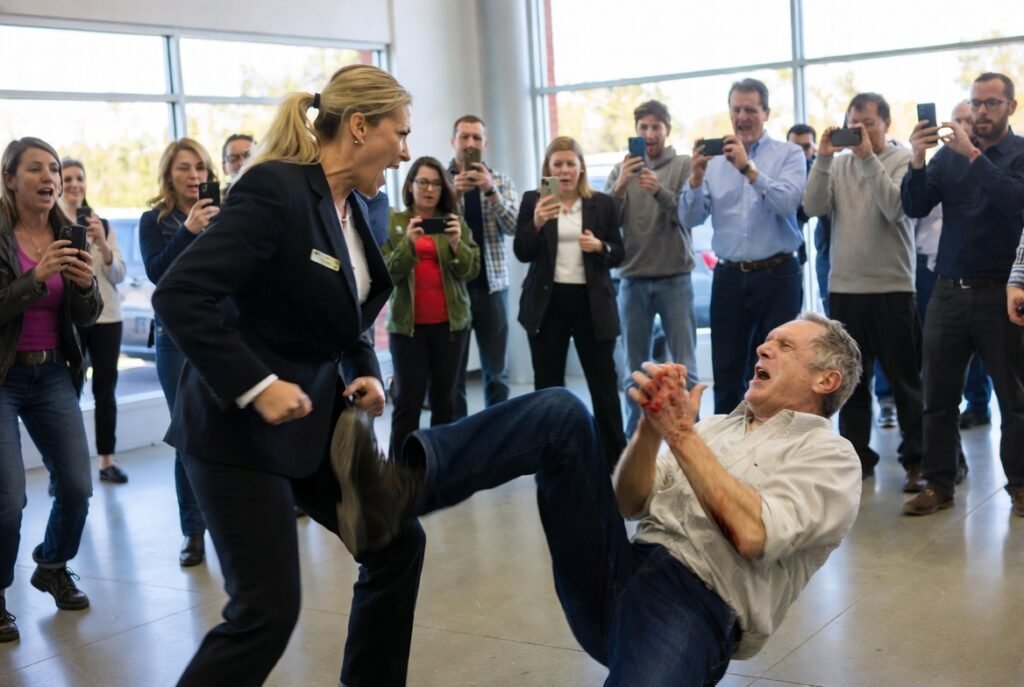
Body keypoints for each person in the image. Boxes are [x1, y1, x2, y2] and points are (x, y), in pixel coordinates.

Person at [332, 313, 862, 685]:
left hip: (696, 608)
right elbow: (629, 501)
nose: (763, 348)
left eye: (785, 346)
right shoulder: (719, 426)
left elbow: (754, 534)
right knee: (561, 412)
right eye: (768, 340)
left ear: (826, 378)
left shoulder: (831, 458)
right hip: (618, 566)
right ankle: (396, 494)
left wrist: (681, 435)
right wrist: (653, 430)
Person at [151, 64, 423, 686]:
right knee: (266, 613)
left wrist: (364, 369)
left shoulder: (352, 209)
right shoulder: (275, 189)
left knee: (395, 543)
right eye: (399, 133)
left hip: (309, 424)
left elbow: (339, 313)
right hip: (234, 434)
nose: (405, 152)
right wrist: (256, 383)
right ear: (359, 126)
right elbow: (180, 294)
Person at [901, 73, 1024, 517]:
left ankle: (1021, 486)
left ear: (1010, 107)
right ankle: (938, 482)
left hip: (1003, 294)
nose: (981, 111)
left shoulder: (1018, 153)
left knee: (1015, 399)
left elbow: (1016, 202)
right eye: (976, 103)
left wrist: (974, 157)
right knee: (937, 396)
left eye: (992, 103)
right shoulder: (946, 159)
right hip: (949, 292)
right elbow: (914, 205)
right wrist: (917, 158)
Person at [0, 137, 101, 643]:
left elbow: (89, 314)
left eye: (54, 169)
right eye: (35, 169)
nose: (49, 178)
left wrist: (84, 287)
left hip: (53, 373)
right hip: (3, 377)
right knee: (8, 499)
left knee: (78, 487)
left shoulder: (70, 232)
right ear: (9, 178)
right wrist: (36, 278)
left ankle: (53, 564)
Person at [802, 92, 922, 484]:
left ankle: (918, 459)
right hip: (845, 290)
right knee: (851, 384)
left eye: (869, 123)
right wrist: (821, 157)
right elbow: (814, 206)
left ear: (886, 123)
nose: (861, 131)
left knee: (905, 381)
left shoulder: (902, 160)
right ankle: (856, 460)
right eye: (854, 124)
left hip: (893, 288)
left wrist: (868, 157)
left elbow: (895, 208)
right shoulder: (836, 165)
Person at [681, 78, 807, 414]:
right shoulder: (713, 162)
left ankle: (775, 449)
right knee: (727, 370)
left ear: (766, 113)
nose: (742, 117)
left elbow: (786, 203)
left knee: (779, 370)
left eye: (750, 109)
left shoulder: (789, 154)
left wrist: (748, 169)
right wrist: (694, 180)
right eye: (736, 109)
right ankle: (725, 454)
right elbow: (690, 218)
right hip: (730, 278)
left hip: (778, 275)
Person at [515, 136, 626, 468]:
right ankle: (550, 457)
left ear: (581, 167)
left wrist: (600, 247)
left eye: (570, 164)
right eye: (557, 164)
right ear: (548, 168)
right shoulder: (533, 200)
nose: (564, 170)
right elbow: (522, 251)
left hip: (592, 303)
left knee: (604, 386)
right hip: (548, 304)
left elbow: (619, 252)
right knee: (547, 386)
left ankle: (617, 462)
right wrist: (535, 222)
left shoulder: (603, 204)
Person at [139, 138, 218, 567]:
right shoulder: (155, 220)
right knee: (186, 432)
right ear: (169, 174)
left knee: (230, 428)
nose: (194, 176)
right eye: (185, 168)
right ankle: (193, 531)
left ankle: (230, 519)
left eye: (201, 168)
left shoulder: (225, 215)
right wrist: (188, 230)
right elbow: (156, 272)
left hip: (222, 331)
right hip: (174, 337)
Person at [605, 100, 697, 439]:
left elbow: (688, 213)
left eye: (655, 127)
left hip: (675, 277)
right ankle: (636, 439)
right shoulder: (621, 170)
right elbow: (605, 221)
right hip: (631, 280)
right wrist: (619, 187)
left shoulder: (683, 165)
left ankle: (693, 437)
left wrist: (658, 191)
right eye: (643, 128)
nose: (649, 134)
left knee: (686, 366)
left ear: (667, 130)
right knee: (633, 371)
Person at [383, 156, 479, 459]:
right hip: (406, 327)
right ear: (410, 185)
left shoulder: (454, 221)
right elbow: (386, 273)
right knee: (407, 402)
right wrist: (408, 245)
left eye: (436, 183)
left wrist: (455, 245)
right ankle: (399, 474)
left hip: (451, 327)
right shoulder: (395, 222)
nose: (429, 189)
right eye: (422, 182)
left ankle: (441, 467)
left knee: (445, 402)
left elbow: (471, 269)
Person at [59, 158, 128, 484]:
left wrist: (101, 241)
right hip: (71, 318)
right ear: (59, 182)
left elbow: (118, 276)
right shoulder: (52, 223)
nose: (74, 184)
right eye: (68, 178)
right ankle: (65, 467)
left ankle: (106, 461)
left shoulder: (104, 225)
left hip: (108, 317)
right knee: (67, 391)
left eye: (79, 178)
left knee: (106, 390)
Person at [447, 115, 520, 417]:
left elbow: (515, 225)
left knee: (497, 373)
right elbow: (434, 231)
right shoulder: (439, 181)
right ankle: (459, 442)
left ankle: (498, 440)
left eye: (476, 138)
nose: (470, 144)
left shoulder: (500, 180)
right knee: (453, 374)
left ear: (485, 144)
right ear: (453, 142)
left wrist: (490, 191)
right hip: (453, 290)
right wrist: (455, 196)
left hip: (493, 288)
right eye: (464, 137)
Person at [788, 124, 831, 311]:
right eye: (794, 148)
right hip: (792, 253)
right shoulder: (783, 174)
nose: (800, 153)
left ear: (814, 148)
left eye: (805, 147)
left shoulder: (826, 170)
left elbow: (810, 210)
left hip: (830, 251)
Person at [221, 133, 254, 197]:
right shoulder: (218, 202)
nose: (242, 163)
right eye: (233, 158)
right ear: (224, 168)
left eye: (248, 156)